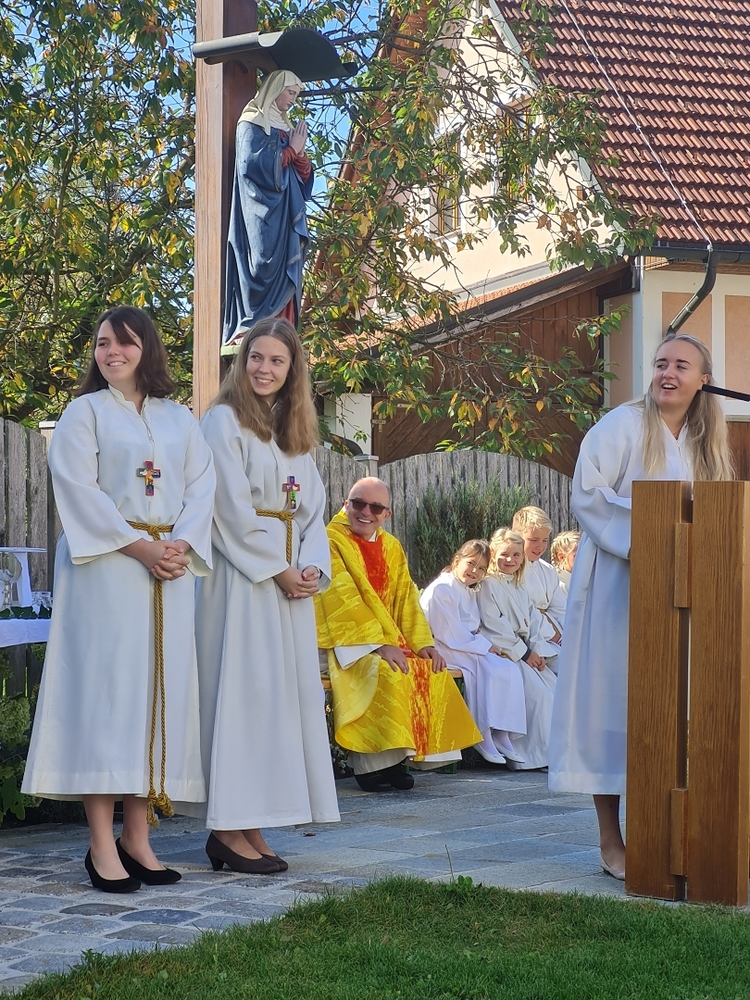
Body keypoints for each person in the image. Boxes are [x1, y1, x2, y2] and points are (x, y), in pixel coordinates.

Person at [22, 306, 216, 893]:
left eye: (125, 343)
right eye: (104, 343)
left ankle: (138, 837)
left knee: (152, 698)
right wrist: (141, 548)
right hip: (106, 570)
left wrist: (180, 545)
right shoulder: (83, 413)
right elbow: (78, 491)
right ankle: (101, 845)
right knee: (106, 698)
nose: (112, 353)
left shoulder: (179, 418)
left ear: (146, 349)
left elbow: (202, 487)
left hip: (168, 570)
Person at [548, 334, 734, 880]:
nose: (668, 373)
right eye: (661, 364)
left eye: (682, 366)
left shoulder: (705, 441)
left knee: (677, 709)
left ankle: (678, 832)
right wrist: (656, 529)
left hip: (686, 590)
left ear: (704, 380)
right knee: (611, 706)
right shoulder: (621, 426)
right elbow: (589, 496)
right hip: (617, 582)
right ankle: (612, 840)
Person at [190, 317, 339, 874]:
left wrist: (311, 567)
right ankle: (225, 827)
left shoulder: (292, 432)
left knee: (278, 703)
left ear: (292, 369)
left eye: (277, 360)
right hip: (242, 584)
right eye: (256, 357)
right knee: (243, 697)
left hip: (288, 586)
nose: (264, 368)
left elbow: (314, 513)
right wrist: (277, 569)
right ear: (242, 360)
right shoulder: (222, 421)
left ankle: (251, 823)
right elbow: (227, 507)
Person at [314, 478, 481, 791]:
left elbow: (406, 599)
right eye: (358, 504)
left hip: (383, 638)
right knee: (385, 670)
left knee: (429, 668)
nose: (366, 512)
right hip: (344, 640)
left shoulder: (391, 546)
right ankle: (369, 767)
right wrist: (378, 645)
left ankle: (399, 760)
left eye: (375, 508)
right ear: (346, 505)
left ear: (387, 514)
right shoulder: (329, 540)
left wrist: (423, 644)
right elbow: (342, 598)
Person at [223, 70, 313, 348]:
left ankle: (282, 330)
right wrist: (291, 151)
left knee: (287, 265)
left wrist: (299, 155)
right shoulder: (251, 122)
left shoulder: (286, 127)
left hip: (286, 211)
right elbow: (252, 166)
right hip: (259, 209)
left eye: (296, 95)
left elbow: (302, 176)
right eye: (290, 93)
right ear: (275, 89)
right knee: (261, 262)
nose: (293, 100)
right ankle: (250, 326)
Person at [420, 540, 527, 765]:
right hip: (442, 646)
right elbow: (448, 631)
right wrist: (483, 646)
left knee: (508, 668)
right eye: (471, 564)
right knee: (484, 669)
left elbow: (472, 627)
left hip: (465, 644)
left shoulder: (466, 590)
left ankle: (501, 733)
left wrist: (485, 645)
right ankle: (483, 733)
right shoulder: (443, 588)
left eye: (481, 568)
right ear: (457, 560)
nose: (475, 571)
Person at [477, 528, 559, 770]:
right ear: (493, 555)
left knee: (555, 689)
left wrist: (537, 650)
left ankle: (553, 755)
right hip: (507, 652)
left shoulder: (518, 585)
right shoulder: (489, 585)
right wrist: (524, 653)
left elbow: (533, 621)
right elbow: (494, 625)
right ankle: (531, 757)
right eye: (504, 554)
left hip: (527, 651)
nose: (510, 560)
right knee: (540, 697)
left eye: (516, 555)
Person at [511, 506, 566, 660]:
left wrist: (570, 635)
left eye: (545, 540)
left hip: (555, 635)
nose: (540, 546)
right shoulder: (513, 570)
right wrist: (555, 637)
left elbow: (560, 608)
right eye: (533, 540)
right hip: (528, 637)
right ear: (517, 537)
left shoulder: (548, 570)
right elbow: (526, 611)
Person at [549, 530, 581, 595]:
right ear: (561, 557)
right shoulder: (558, 584)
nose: (583, 558)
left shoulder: (584, 578)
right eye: (577, 555)